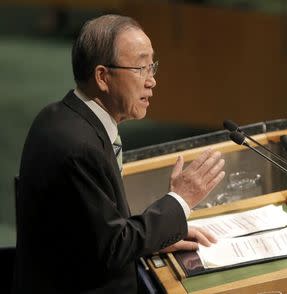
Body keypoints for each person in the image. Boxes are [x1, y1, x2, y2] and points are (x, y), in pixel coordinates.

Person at [13, 14, 225, 293]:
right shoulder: (79, 148)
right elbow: (113, 248)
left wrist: (157, 235)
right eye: (140, 68)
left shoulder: (57, 116)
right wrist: (180, 199)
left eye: (152, 67)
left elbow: (95, 232)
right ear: (102, 77)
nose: (152, 82)